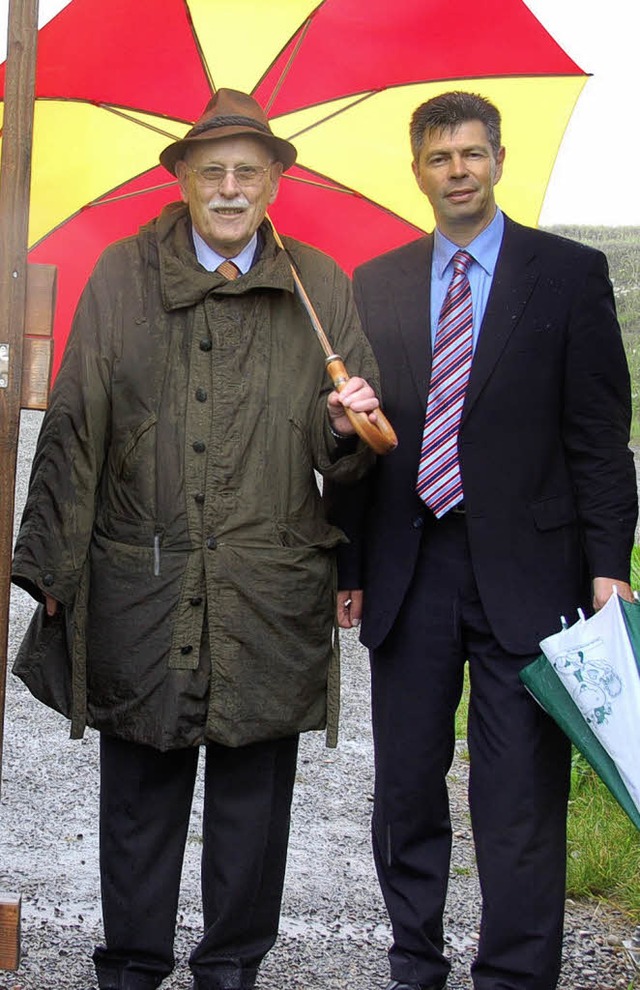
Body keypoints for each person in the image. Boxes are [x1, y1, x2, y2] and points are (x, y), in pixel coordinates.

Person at [11, 88, 382, 990]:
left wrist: (343, 426)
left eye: (246, 172)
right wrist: (55, 565)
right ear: (179, 178)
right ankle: (131, 967)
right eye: (210, 171)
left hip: (269, 585)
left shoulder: (321, 287)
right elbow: (74, 421)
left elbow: (351, 460)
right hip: (144, 578)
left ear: (274, 182)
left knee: (255, 805)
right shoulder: (120, 274)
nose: (227, 188)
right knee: (140, 791)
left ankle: (232, 970)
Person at [324, 91, 638, 990]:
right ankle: (414, 964)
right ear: (416, 169)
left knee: (519, 801)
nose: (456, 170)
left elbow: (598, 440)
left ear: (500, 158)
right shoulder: (374, 282)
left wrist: (609, 568)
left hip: (532, 577)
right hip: (408, 571)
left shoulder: (569, 274)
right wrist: (349, 560)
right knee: (408, 792)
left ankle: (514, 976)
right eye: (438, 157)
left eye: (472, 153)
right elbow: (361, 445)